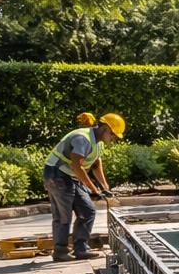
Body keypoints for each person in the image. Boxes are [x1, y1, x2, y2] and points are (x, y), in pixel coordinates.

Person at [44, 111, 125, 262]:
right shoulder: (82, 138)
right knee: (64, 215)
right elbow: (77, 165)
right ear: (105, 129)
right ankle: (60, 251)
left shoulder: (98, 143)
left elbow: (95, 163)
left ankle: (81, 249)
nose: (113, 139)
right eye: (113, 135)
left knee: (87, 211)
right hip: (57, 174)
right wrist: (94, 190)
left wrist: (105, 186)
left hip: (71, 176)